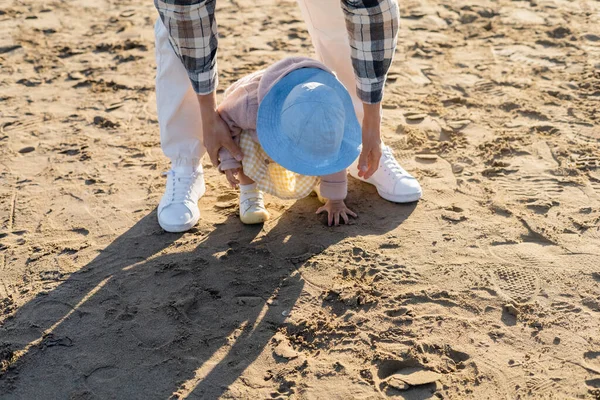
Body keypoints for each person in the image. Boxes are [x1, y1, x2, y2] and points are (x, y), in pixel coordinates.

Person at [154, 0, 422, 233]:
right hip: (247, 119)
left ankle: (360, 147)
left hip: (320, 116)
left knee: (337, 18)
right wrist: (211, 124)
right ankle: (185, 161)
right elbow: (184, 13)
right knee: (180, 31)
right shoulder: (247, 106)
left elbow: (372, 13)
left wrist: (370, 127)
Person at [217, 57, 362, 226]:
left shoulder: (329, 104)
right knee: (245, 143)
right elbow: (224, 122)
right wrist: (228, 159)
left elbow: (334, 151)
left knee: (319, 143)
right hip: (248, 122)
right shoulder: (249, 105)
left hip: (301, 117)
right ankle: (249, 193)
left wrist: (336, 200)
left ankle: (321, 183)